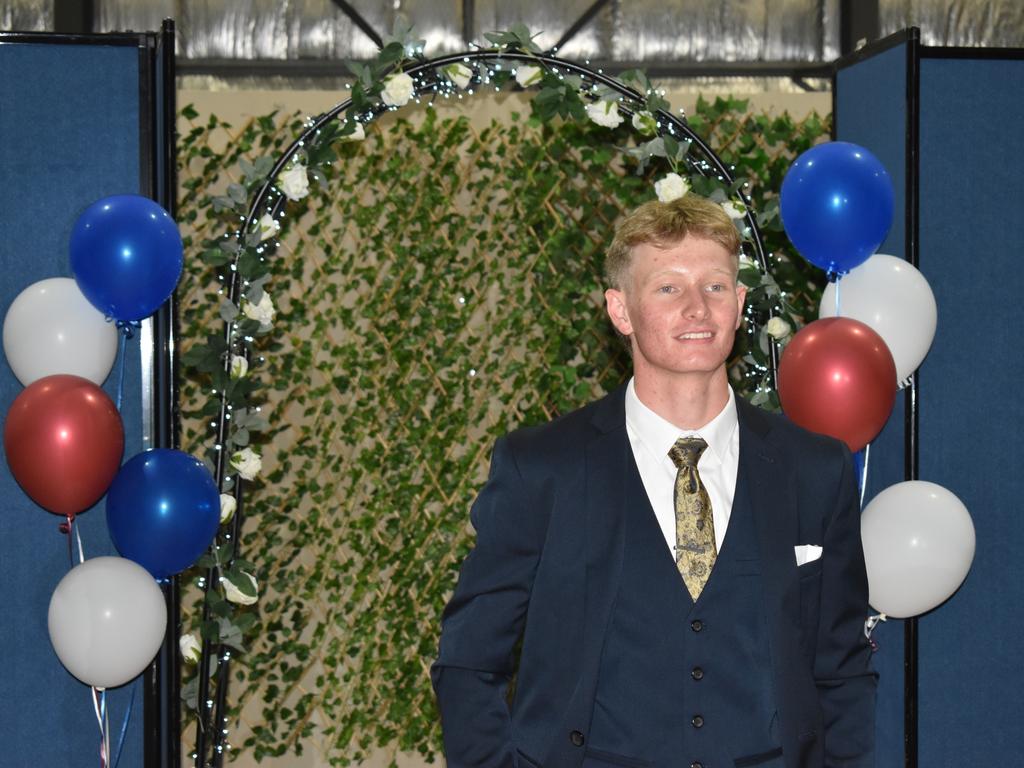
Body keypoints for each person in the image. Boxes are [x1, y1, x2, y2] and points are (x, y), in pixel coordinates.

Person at [432, 194, 876, 768]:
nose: (697, 308)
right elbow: (469, 660)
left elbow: (843, 673)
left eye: (715, 286)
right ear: (620, 311)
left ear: (739, 305)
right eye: (668, 287)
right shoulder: (541, 468)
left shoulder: (814, 469)